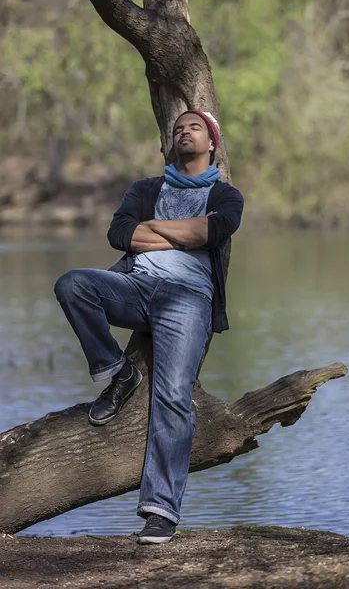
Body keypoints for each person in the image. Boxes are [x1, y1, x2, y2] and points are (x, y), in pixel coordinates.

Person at [54, 110, 244, 544]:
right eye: (178, 128)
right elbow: (121, 235)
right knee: (74, 284)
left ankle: (160, 511)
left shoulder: (227, 195)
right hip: (136, 287)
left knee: (173, 396)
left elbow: (209, 233)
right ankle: (119, 371)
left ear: (212, 142)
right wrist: (179, 232)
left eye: (194, 127)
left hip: (189, 301)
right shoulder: (145, 189)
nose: (184, 132)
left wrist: (154, 228)